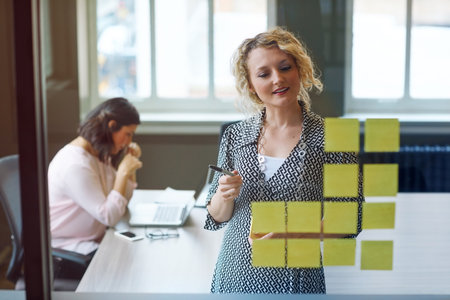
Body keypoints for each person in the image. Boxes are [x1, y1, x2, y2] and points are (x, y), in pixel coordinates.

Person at [204, 27, 364, 294]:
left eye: (285, 67)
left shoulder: (333, 139)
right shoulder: (235, 135)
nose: (278, 79)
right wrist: (224, 194)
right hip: (234, 278)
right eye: (264, 74)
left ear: (300, 70)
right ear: (252, 86)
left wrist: (296, 233)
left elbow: (351, 217)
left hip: (297, 281)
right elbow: (216, 216)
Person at [48, 97, 142, 278]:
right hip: (69, 249)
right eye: (128, 134)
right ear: (112, 125)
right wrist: (122, 172)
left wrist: (129, 169)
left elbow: (123, 199)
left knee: (136, 256)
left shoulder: (98, 153)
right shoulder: (76, 164)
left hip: (93, 240)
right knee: (129, 269)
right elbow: (110, 216)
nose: (129, 141)